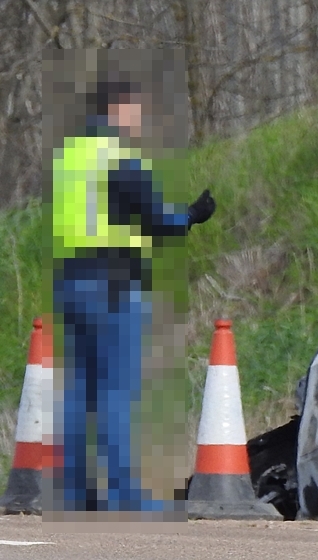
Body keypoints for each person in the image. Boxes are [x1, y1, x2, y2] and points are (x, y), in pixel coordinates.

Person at [49, 78, 215, 514]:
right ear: (117, 109)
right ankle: (122, 497)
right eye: (136, 109)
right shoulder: (118, 156)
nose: (140, 119)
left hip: (72, 285)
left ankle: (74, 494)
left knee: (78, 396)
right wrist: (194, 215)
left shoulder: (70, 157)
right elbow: (158, 218)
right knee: (116, 394)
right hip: (114, 287)